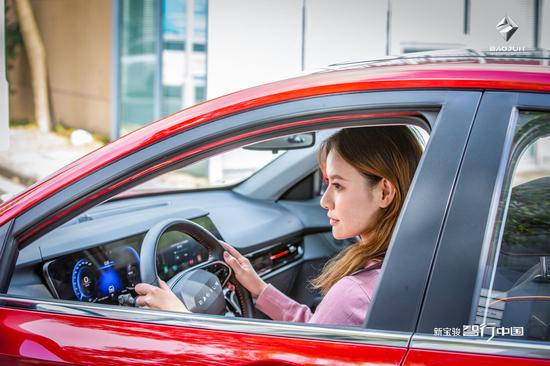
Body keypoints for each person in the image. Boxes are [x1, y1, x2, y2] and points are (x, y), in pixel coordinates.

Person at [135, 126, 423, 327]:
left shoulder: (355, 292)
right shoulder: (406, 265)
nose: (325, 201)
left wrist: (182, 318)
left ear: (385, 192)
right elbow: (319, 331)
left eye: (338, 185)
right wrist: (260, 289)